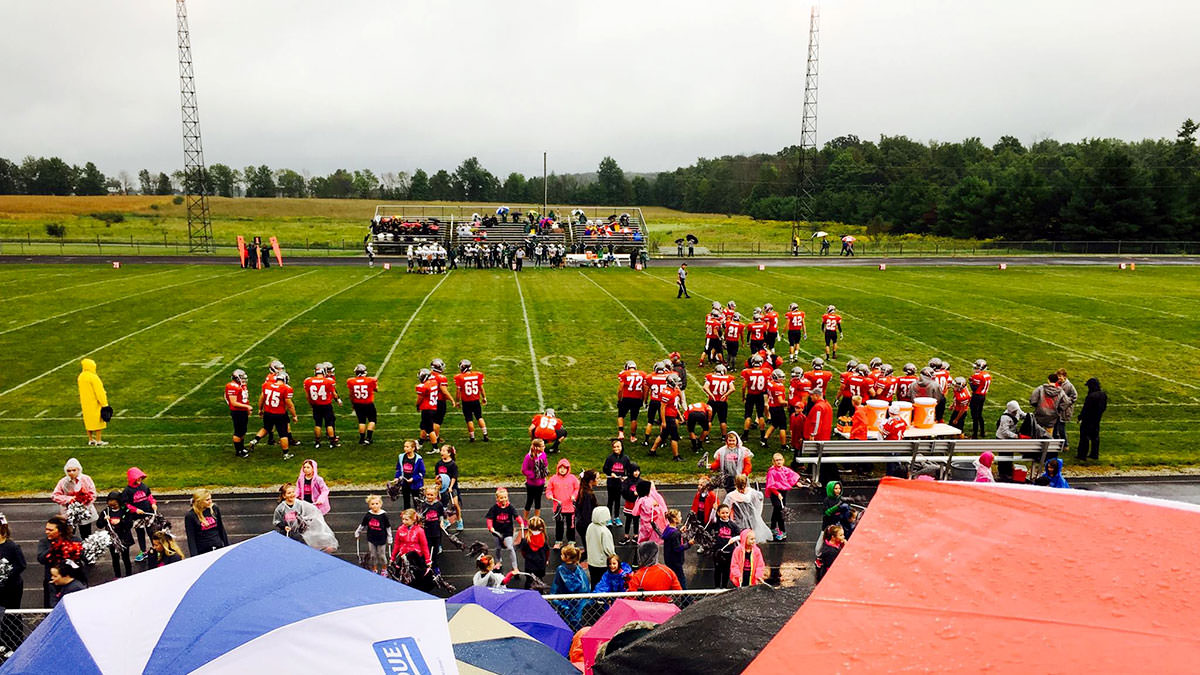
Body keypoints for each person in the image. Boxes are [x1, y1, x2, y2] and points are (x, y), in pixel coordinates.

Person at [273, 483, 338, 553]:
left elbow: (311, 511)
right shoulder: (280, 508)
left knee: (303, 548)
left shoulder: (300, 504)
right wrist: (284, 527)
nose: (292, 494)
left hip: (299, 533)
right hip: (287, 534)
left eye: (293, 492)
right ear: (284, 496)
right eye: (289, 493)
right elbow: (276, 521)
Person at [248, 371, 298, 460]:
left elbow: (261, 398)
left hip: (268, 412)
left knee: (266, 428)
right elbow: (290, 405)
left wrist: (260, 409)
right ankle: (286, 454)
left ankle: (255, 440)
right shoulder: (286, 388)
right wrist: (294, 415)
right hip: (279, 414)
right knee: (283, 434)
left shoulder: (267, 385)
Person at [37, 516, 81, 608]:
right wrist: (54, 548)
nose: (47, 532)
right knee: (51, 608)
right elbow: (41, 559)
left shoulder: (75, 541)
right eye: (46, 529)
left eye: (50, 530)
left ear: (60, 531)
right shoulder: (44, 542)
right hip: (53, 581)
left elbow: (84, 558)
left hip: (71, 582)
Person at [0, 511, 28, 653]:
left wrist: (5, 574)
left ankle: (15, 643)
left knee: (12, 614)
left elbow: (21, 565)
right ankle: (3, 642)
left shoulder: (12, 547)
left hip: (12, 588)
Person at [52, 458, 98, 539]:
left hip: (84, 511)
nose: (71, 473)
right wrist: (69, 499)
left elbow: (93, 494)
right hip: (68, 512)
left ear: (79, 469)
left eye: (74, 470)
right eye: (69, 471)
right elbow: (55, 495)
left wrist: (84, 502)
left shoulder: (86, 479)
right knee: (68, 534)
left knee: (86, 534)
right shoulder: (63, 482)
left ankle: (86, 550)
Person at [550, 544, 592, 627]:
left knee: (565, 624)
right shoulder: (579, 569)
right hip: (578, 603)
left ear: (567, 556)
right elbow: (585, 587)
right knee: (577, 624)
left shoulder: (560, 569)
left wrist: (555, 599)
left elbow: (556, 586)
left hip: (564, 601)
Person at [122, 467, 157, 561]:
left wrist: (153, 503)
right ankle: (143, 551)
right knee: (140, 534)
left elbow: (149, 496)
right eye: (137, 479)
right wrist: (135, 509)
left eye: (141, 479)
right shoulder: (127, 491)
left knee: (152, 532)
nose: (139, 481)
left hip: (148, 515)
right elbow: (126, 504)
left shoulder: (144, 486)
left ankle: (156, 549)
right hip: (137, 517)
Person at [486, 488, 524, 572]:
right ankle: (498, 561)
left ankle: (515, 567)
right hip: (497, 531)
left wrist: (521, 522)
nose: (504, 499)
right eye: (501, 498)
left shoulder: (510, 507)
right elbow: (489, 519)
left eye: (505, 497)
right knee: (498, 548)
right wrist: (490, 527)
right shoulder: (494, 508)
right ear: (497, 499)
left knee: (510, 548)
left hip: (508, 531)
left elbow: (516, 516)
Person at [765, 453, 801, 541]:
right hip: (775, 493)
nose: (779, 462)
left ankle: (773, 527)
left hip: (783, 492)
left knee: (777, 511)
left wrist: (797, 483)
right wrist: (777, 493)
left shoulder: (785, 470)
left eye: (780, 460)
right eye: (777, 460)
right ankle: (782, 530)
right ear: (773, 461)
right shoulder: (772, 472)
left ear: (783, 460)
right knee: (780, 510)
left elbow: (791, 477)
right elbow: (771, 485)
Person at [184, 489, 229, 557]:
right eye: (207, 500)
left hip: (218, 547)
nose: (210, 501)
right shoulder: (190, 516)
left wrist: (227, 546)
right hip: (203, 552)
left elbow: (221, 529)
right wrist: (194, 557)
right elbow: (191, 539)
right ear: (200, 502)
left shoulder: (214, 508)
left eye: (210, 499)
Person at [705, 504, 741, 588]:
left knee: (726, 570)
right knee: (718, 570)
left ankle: (724, 586)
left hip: (729, 551)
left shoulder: (733, 525)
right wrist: (713, 510)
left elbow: (741, 535)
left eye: (726, 513)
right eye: (722, 513)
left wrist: (734, 539)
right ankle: (717, 586)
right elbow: (711, 519)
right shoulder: (716, 523)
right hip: (718, 551)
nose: (725, 515)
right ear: (718, 513)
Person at [354, 494, 392, 575]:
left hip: (381, 538)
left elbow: (388, 527)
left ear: (380, 504)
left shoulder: (383, 515)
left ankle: (384, 569)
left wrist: (390, 537)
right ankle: (374, 569)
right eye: (372, 504)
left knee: (381, 555)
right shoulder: (368, 515)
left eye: (376, 504)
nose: (375, 506)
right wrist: (358, 531)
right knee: (373, 555)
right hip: (371, 538)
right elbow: (363, 524)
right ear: (369, 505)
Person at [454, 359, 490, 442]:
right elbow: (481, 388)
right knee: (479, 417)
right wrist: (484, 397)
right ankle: (485, 434)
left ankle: (472, 437)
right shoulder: (477, 375)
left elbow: (458, 391)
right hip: (476, 400)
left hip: (466, 402)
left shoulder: (459, 377)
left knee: (469, 419)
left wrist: (457, 401)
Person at [546, 458, 579, 548]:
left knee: (571, 525)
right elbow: (549, 489)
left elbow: (577, 488)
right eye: (560, 468)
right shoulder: (553, 479)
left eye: (564, 468)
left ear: (568, 469)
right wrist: (549, 495)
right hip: (558, 507)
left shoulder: (573, 478)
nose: (562, 470)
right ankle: (558, 541)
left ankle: (571, 541)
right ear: (558, 468)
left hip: (570, 507)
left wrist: (574, 495)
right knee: (559, 525)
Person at [77, 358, 110, 446]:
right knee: (98, 421)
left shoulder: (81, 377)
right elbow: (99, 391)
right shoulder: (93, 377)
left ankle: (91, 439)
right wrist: (104, 403)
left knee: (88, 421)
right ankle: (98, 440)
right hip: (95, 402)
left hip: (85, 402)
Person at [346, 364, 379, 445]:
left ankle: (361, 439)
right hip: (368, 403)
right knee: (372, 420)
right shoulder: (370, 380)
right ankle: (368, 438)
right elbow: (376, 389)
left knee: (361, 421)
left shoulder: (351, 381)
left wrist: (353, 404)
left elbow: (351, 394)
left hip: (357, 403)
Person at [1030, 373, 1069, 441]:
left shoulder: (1040, 389)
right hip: (1052, 416)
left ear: (1048, 380)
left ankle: (1037, 449)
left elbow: (1033, 400)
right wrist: (1059, 409)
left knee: (1037, 432)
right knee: (1048, 435)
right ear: (1057, 381)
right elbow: (1066, 402)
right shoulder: (1060, 392)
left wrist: (1037, 406)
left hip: (1040, 414)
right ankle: (1047, 449)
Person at [585, 505, 617, 589]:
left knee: (594, 582)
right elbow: (609, 549)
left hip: (591, 561)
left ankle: (594, 599)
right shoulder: (605, 531)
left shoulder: (590, 526)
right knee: (603, 584)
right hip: (602, 563)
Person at [1077, 378, 1108, 461]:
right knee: (1095, 437)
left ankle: (1082, 455)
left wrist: (1080, 416)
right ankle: (1094, 454)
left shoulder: (1091, 396)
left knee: (1084, 437)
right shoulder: (1103, 395)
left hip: (1088, 420)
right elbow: (1104, 407)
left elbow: (1086, 409)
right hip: (1097, 418)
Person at [616, 360, 648, 441]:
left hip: (626, 398)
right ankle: (633, 437)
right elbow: (645, 388)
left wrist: (619, 399)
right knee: (634, 418)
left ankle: (621, 433)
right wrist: (644, 400)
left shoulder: (624, 374)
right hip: (637, 398)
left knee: (621, 415)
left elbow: (620, 389)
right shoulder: (642, 374)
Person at [602, 440, 632, 526]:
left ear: (621, 447)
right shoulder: (610, 458)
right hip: (611, 483)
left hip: (620, 483)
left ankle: (616, 517)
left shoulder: (625, 458)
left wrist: (626, 477)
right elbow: (605, 468)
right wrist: (611, 473)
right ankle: (608, 518)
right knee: (610, 501)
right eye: (614, 447)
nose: (616, 449)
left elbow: (629, 470)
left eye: (618, 446)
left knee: (618, 501)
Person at [434, 445, 463, 532]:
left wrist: (450, 487)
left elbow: (454, 477)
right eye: (441, 450)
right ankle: (446, 520)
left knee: (455, 504)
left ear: (449, 453)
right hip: (442, 488)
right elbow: (437, 476)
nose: (441, 452)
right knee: (443, 506)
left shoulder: (452, 464)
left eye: (443, 451)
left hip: (452, 488)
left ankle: (459, 520)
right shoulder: (438, 464)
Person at [226, 369, 253, 457]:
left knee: (243, 430)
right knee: (238, 431)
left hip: (242, 411)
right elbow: (233, 402)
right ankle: (238, 451)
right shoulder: (232, 386)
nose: (244, 380)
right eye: (242, 378)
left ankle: (241, 447)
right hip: (237, 412)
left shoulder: (242, 385)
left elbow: (244, 399)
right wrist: (247, 407)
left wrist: (247, 408)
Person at [661, 510, 691, 589]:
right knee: (681, 579)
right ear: (674, 519)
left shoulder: (668, 529)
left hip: (669, 559)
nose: (681, 518)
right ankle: (686, 598)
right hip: (676, 561)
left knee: (672, 577)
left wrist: (679, 531)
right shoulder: (675, 534)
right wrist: (689, 544)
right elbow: (677, 548)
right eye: (679, 516)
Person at [521, 439, 550, 522]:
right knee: (529, 501)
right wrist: (534, 475)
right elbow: (524, 470)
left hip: (540, 483)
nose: (544, 447)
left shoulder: (543, 454)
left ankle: (537, 519)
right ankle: (525, 520)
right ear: (537, 448)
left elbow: (546, 464)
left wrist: (544, 471)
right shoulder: (528, 457)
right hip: (531, 484)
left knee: (538, 501)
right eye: (543, 446)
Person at [518, 516, 550, 588]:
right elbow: (547, 552)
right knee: (540, 580)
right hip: (541, 565)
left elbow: (523, 553)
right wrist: (546, 560)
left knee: (529, 582)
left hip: (530, 565)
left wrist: (527, 557)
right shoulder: (544, 539)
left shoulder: (526, 540)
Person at [392, 440, 425, 510]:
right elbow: (398, 469)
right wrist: (396, 477)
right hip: (405, 483)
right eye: (404, 446)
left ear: (413, 448)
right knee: (406, 501)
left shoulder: (418, 459)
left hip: (415, 484)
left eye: (407, 447)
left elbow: (422, 473)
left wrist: (413, 478)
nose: (405, 448)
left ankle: (418, 516)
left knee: (417, 501)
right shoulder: (401, 457)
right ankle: (407, 516)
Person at [968, 359, 991, 439]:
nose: (975, 368)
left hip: (976, 396)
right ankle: (982, 432)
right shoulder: (987, 375)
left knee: (975, 416)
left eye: (977, 367)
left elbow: (974, 388)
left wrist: (970, 382)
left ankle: (974, 435)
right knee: (979, 414)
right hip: (983, 396)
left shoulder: (977, 376)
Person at [575, 470, 600, 546]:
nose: (599, 480)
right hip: (585, 525)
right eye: (597, 478)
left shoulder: (584, 491)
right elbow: (587, 512)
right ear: (591, 481)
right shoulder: (587, 494)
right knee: (590, 547)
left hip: (582, 524)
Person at [1056, 368, 1079, 443]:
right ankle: (1057, 442)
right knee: (1055, 427)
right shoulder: (1057, 384)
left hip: (1064, 411)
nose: (1059, 378)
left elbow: (1074, 397)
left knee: (1061, 427)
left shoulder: (1069, 385)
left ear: (1064, 376)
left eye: (1060, 376)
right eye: (1058, 376)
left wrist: (1065, 404)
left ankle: (1065, 444)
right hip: (1057, 409)